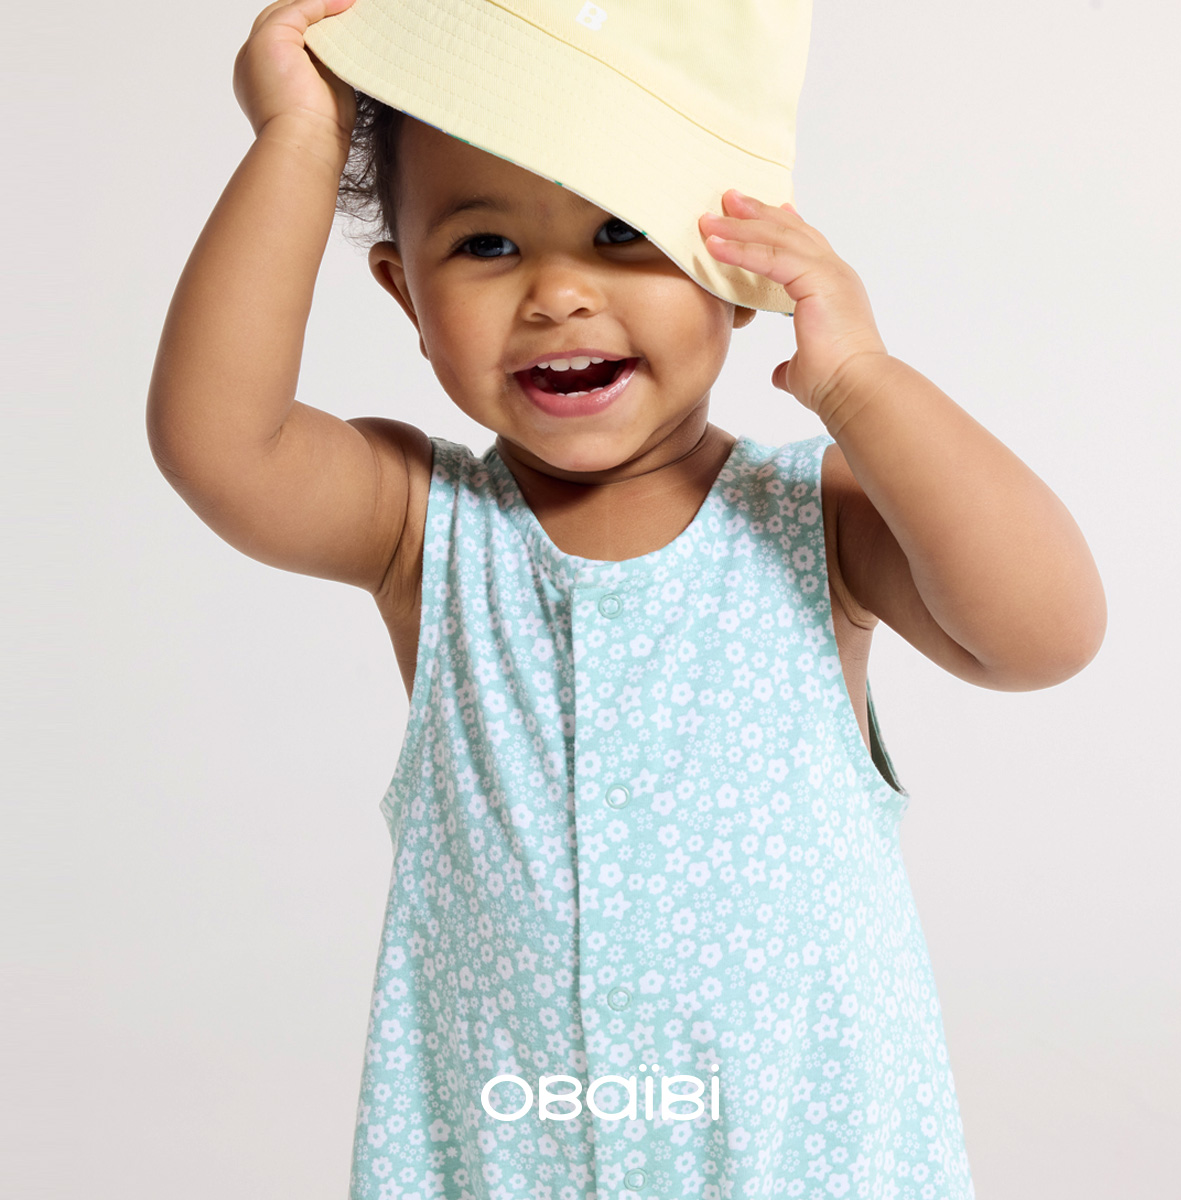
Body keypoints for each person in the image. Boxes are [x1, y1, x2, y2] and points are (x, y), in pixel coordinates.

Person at [146, 2, 1106, 1196]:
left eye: (619, 231)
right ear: (404, 294)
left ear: (734, 269)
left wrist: (863, 382)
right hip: (512, 1150)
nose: (557, 293)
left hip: (798, 1161)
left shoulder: (819, 519)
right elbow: (218, 444)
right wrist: (298, 139)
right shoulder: (422, 526)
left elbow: (1043, 636)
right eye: (486, 245)